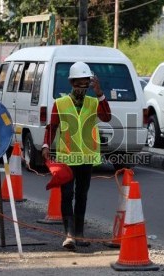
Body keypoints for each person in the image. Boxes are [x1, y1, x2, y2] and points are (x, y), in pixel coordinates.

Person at [41, 61, 111, 251]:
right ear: (72, 83)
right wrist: (46, 144)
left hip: (87, 158)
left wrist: (99, 93)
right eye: (79, 82)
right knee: (67, 195)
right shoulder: (60, 103)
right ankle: (69, 235)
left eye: (85, 82)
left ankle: (79, 234)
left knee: (81, 196)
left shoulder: (94, 102)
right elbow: (52, 127)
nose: (82, 86)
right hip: (67, 158)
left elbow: (107, 117)